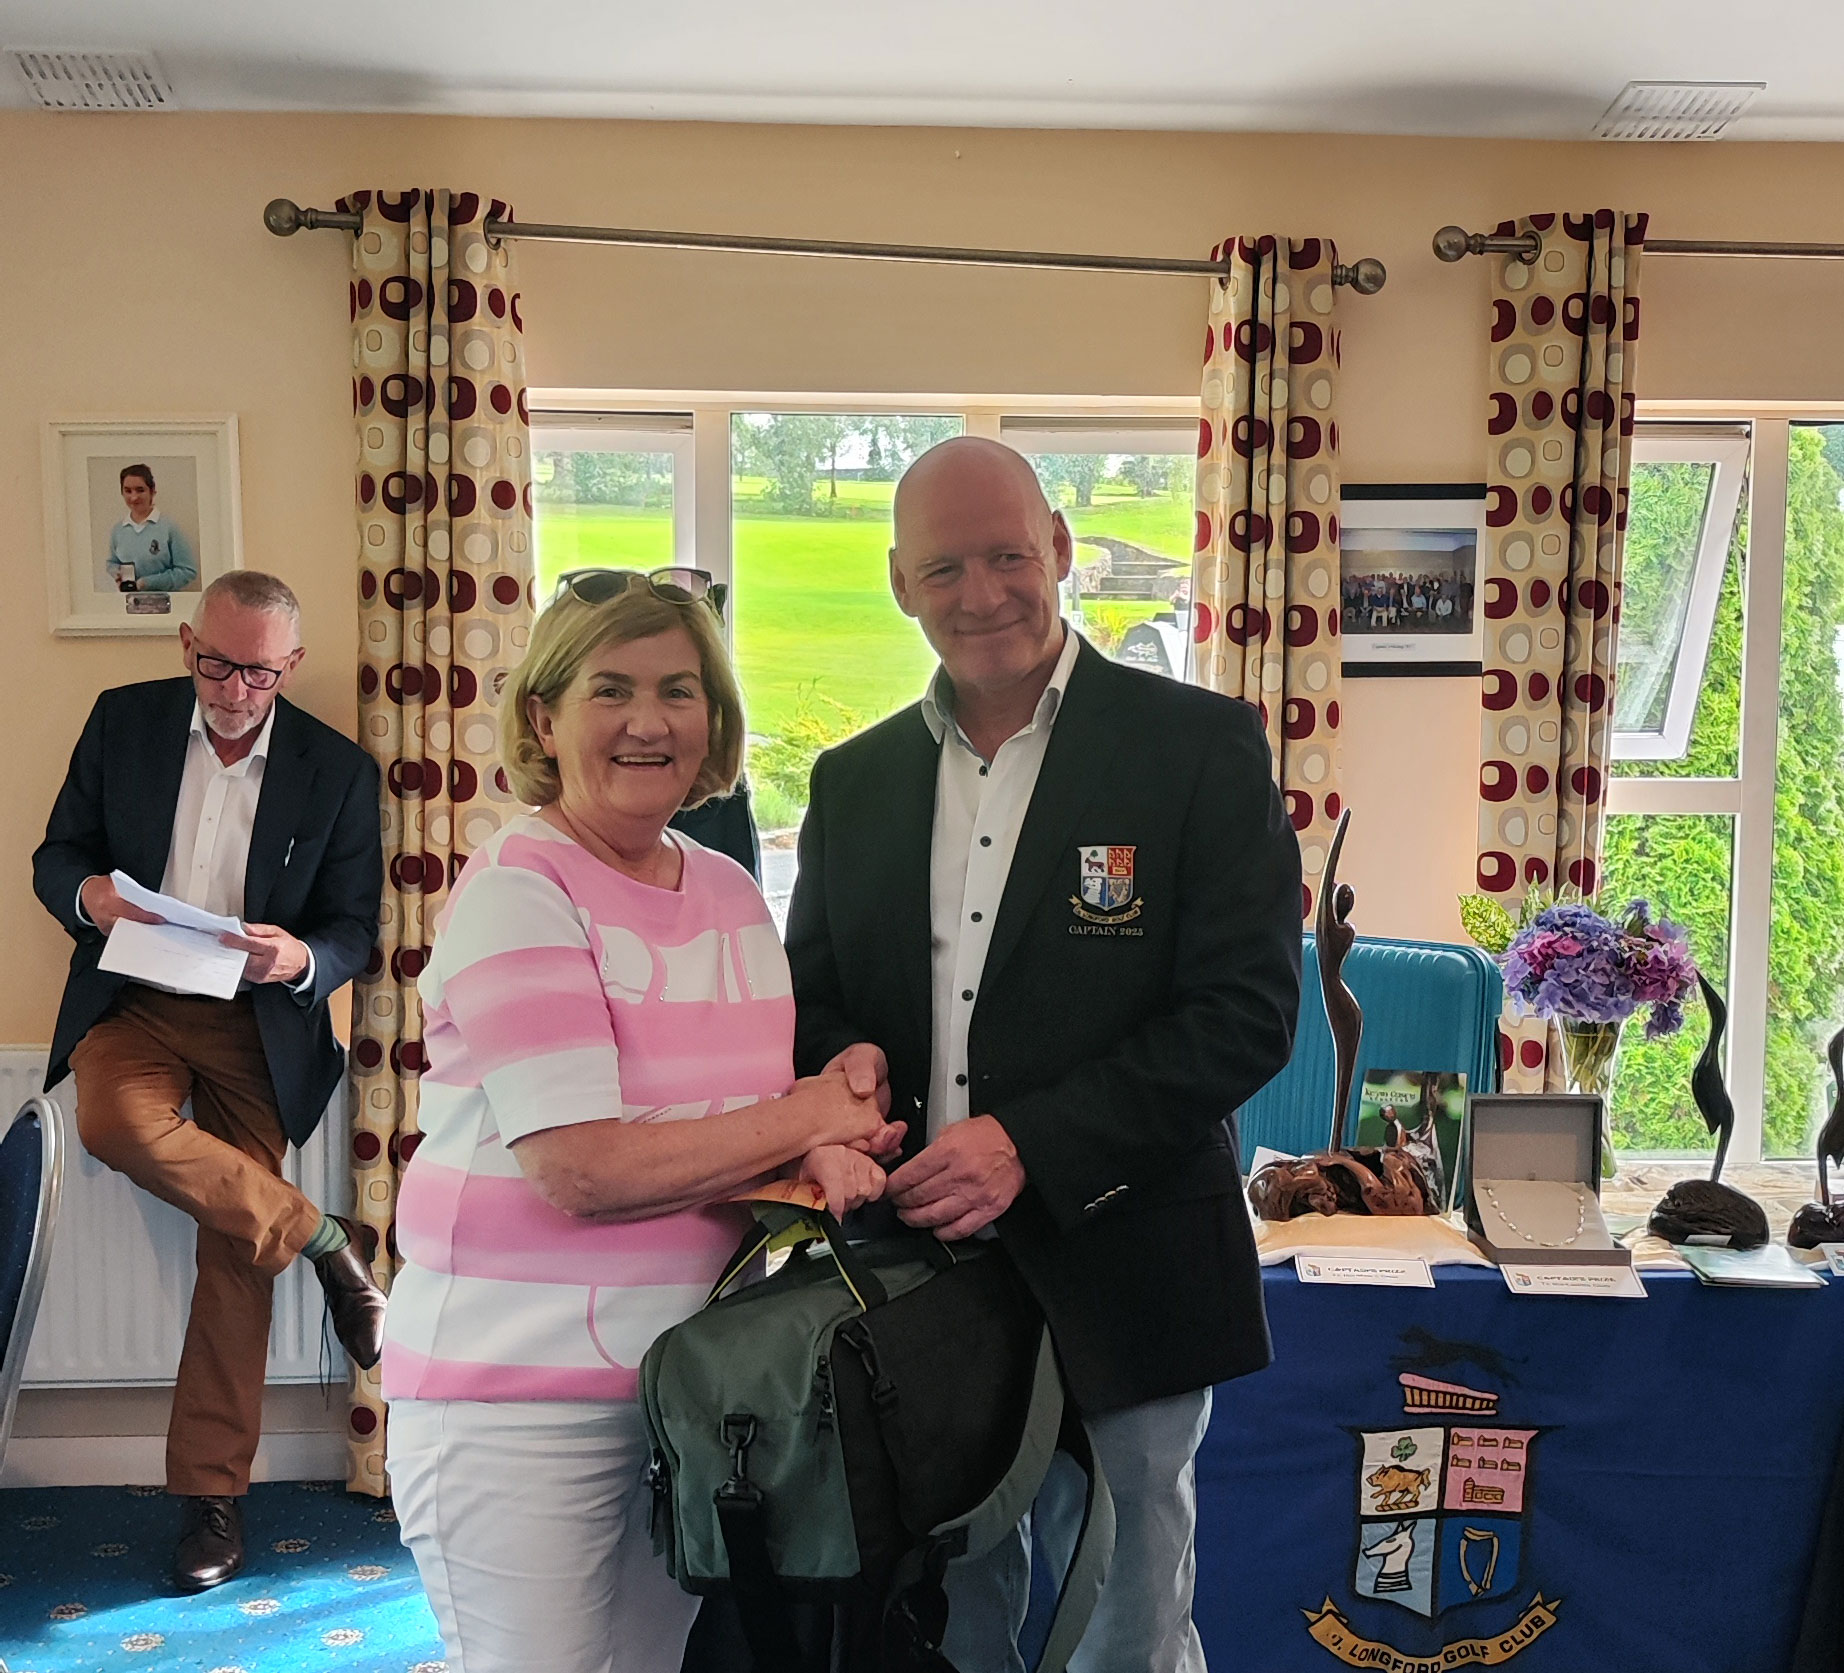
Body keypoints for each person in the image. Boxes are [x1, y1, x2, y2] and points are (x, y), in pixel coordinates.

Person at [785, 438, 1302, 1673]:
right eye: (944, 566)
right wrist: (839, 1063)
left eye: (1009, 555)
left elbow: (1245, 1011)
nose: (981, 594)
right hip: (919, 1261)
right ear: (899, 579)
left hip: (1134, 1245)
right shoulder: (851, 782)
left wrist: (1030, 1144)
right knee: (951, 1574)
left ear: (1060, 549)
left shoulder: (1196, 747)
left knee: (1130, 1587)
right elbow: (810, 998)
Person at [380, 567, 900, 1673]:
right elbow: (581, 1167)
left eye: (679, 689)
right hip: (511, 1398)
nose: (647, 720)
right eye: (609, 688)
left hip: (691, 1390)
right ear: (543, 716)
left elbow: (725, 1120)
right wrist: (807, 1110)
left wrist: (818, 1140)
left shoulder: (722, 889)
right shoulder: (523, 885)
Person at [32, 571, 387, 1590]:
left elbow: (354, 929)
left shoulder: (336, 770)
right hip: (133, 1001)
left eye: (257, 670)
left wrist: (300, 958)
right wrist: (88, 893)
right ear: (189, 640)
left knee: (237, 1257)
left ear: (292, 664)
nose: (232, 689)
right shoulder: (124, 721)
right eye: (216, 662)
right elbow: (58, 852)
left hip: (255, 1023)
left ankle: (210, 1500)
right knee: (111, 1122)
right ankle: (324, 1237)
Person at [108, 463, 198, 593]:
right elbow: (112, 563)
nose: (134, 497)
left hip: (164, 607)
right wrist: (117, 574)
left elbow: (187, 571)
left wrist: (146, 583)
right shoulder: (118, 530)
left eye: (140, 490)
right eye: (128, 491)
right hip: (128, 607)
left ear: (152, 491)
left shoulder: (169, 528)